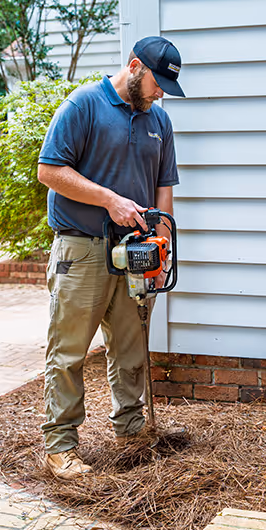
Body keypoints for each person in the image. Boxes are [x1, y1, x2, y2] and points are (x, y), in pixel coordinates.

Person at [36, 36, 185, 481]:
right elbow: (50, 171)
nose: (161, 94)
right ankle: (60, 447)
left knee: (130, 347)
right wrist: (109, 201)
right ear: (135, 66)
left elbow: (164, 187)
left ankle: (130, 430)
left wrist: (162, 243)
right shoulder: (83, 105)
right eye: (158, 84)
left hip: (137, 252)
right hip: (82, 249)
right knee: (69, 351)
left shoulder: (158, 120)